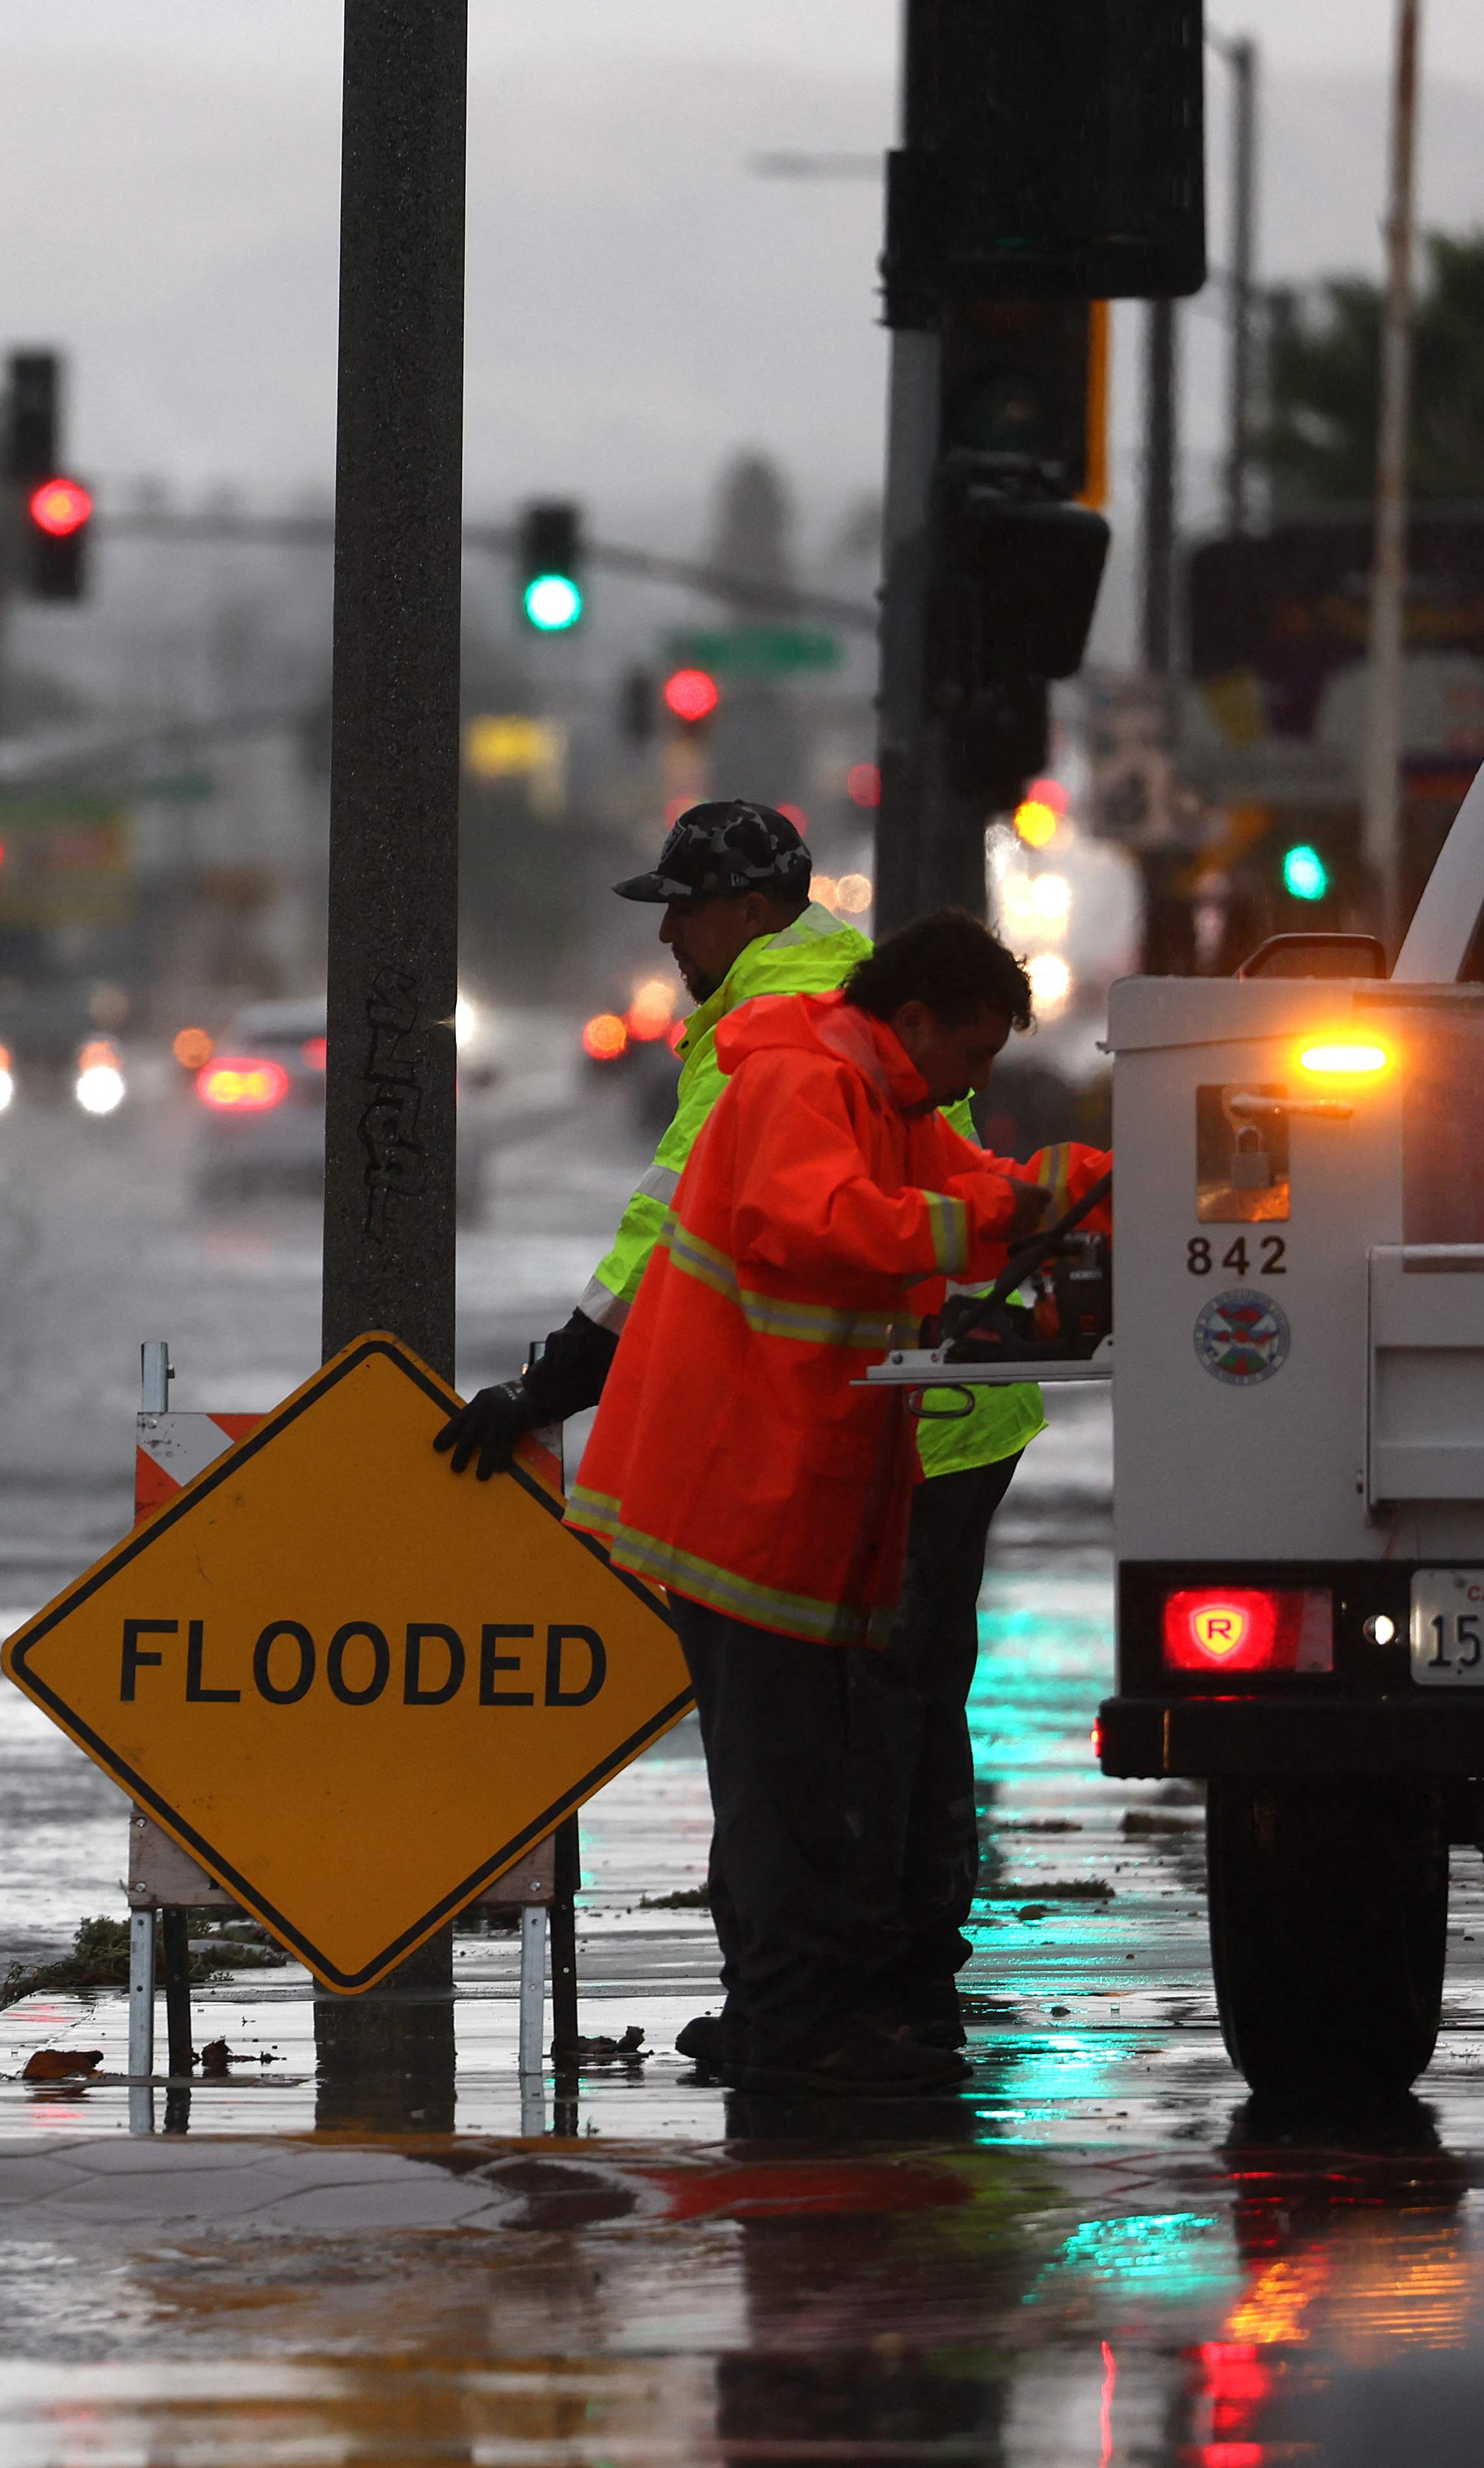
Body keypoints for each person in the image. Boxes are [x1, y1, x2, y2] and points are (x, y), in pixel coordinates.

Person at [439, 808, 1071, 2067]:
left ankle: (837, 2005)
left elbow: (673, 1225)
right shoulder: (834, 998)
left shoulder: (775, 1036)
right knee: (893, 1721)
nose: (668, 932)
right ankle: (890, 1996)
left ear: (751, 910)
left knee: (832, 1735)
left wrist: (547, 1384)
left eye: (682, 906)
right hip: (921, 1416)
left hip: (892, 1429)